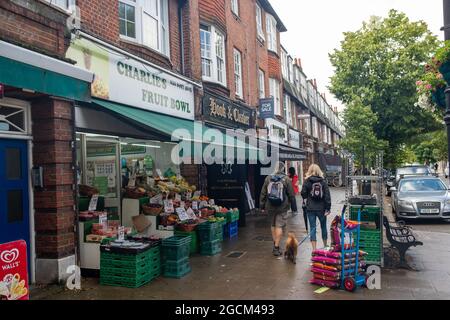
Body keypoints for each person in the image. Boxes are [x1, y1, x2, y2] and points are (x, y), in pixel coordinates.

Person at [260, 161, 296, 256]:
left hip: (270, 206)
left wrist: (262, 206)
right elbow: (291, 195)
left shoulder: (268, 178)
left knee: (273, 225)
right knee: (279, 226)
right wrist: (294, 208)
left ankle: (275, 243)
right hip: (282, 207)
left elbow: (263, 193)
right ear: (283, 169)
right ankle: (276, 247)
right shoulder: (286, 179)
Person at [301, 164, 331, 251]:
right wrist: (328, 208)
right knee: (323, 227)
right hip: (321, 209)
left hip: (310, 208)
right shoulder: (323, 182)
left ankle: (314, 250)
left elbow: (303, 194)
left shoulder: (307, 181)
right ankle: (325, 246)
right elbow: (327, 196)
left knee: (312, 228)